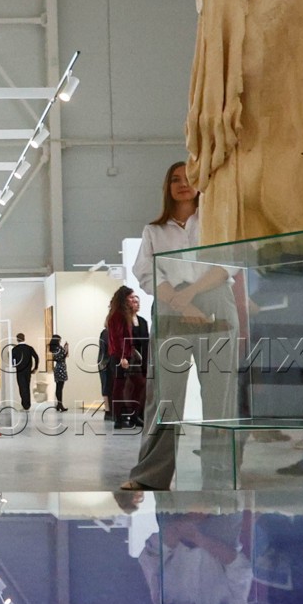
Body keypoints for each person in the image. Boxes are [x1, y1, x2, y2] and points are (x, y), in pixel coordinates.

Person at [121, 161, 239, 491]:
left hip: (215, 301)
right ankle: (150, 476)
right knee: (164, 397)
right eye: (175, 179)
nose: (182, 184)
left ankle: (219, 476)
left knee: (219, 397)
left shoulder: (216, 222)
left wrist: (191, 294)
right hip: (171, 306)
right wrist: (181, 302)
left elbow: (228, 262)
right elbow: (146, 272)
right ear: (167, 187)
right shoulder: (154, 231)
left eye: (188, 178)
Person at [105, 287, 150, 429]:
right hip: (120, 356)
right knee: (119, 386)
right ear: (124, 299)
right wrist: (123, 357)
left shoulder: (126, 316)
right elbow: (118, 338)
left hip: (129, 355)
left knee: (139, 384)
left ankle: (133, 416)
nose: (133, 301)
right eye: (130, 298)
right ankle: (118, 418)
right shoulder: (118, 315)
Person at [7, 333, 39, 410]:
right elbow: (36, 357)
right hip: (28, 371)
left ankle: (25, 404)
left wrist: (14, 365)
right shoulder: (29, 348)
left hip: (20, 370)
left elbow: (12, 361)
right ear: (24, 338)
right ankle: (27, 404)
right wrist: (35, 368)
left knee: (22, 387)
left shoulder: (15, 349)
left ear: (17, 339)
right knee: (27, 386)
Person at [48, 334, 70, 412]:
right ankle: (60, 404)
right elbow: (62, 356)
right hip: (61, 368)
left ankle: (58, 404)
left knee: (59, 387)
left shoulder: (54, 349)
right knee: (60, 387)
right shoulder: (58, 348)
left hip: (58, 367)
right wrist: (66, 349)